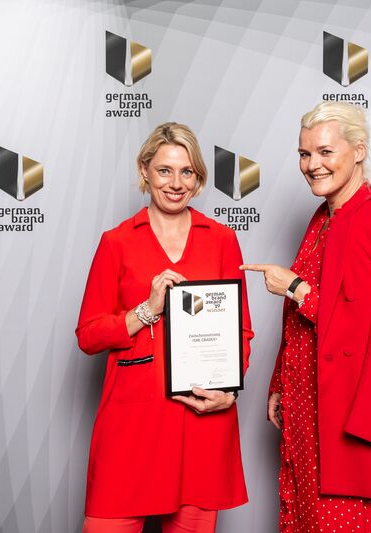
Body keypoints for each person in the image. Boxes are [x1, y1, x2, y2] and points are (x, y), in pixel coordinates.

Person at [242, 102, 371, 532]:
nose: (312, 165)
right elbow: (298, 326)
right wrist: (280, 384)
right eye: (304, 154)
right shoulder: (321, 220)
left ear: (358, 151)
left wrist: (296, 288)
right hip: (305, 410)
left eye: (325, 152)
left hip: (346, 418)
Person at [76, 122, 254, 533]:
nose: (176, 183)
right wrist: (147, 309)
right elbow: (88, 334)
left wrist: (228, 391)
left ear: (198, 177)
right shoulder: (117, 242)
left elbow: (241, 332)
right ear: (144, 171)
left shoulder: (222, 240)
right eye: (164, 170)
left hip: (200, 424)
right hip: (132, 424)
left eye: (186, 172)